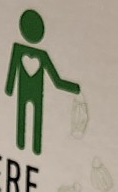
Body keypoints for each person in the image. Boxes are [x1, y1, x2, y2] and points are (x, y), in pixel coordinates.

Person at [5, 10, 78, 155]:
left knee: (37, 119)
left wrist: (71, 87)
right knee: (22, 116)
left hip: (38, 93)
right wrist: (10, 88)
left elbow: (55, 78)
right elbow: (13, 71)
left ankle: (35, 148)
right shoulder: (18, 50)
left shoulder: (41, 55)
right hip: (24, 92)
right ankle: (21, 143)